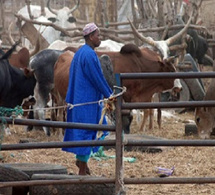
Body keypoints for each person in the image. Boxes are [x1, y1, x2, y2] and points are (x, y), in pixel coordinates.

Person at [62, 23, 113, 175]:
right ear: (91, 37)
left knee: (87, 131)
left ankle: (81, 161)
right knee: (88, 132)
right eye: (98, 35)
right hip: (87, 102)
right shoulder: (90, 55)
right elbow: (97, 78)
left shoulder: (79, 53)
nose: (100, 38)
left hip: (78, 100)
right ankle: (82, 171)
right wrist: (109, 95)